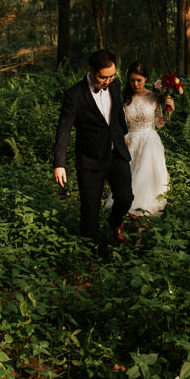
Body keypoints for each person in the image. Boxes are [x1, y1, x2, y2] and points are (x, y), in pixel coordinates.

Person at [53, 50, 133, 246]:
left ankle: (115, 222)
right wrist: (59, 164)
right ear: (90, 71)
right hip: (90, 160)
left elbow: (118, 113)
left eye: (111, 76)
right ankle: (89, 254)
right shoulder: (74, 95)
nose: (108, 81)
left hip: (116, 155)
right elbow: (63, 129)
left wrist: (123, 133)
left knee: (125, 198)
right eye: (103, 77)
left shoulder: (115, 85)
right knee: (90, 211)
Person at [107, 61, 173, 217]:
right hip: (129, 141)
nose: (135, 84)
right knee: (130, 176)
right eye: (132, 80)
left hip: (150, 142)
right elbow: (116, 122)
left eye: (139, 80)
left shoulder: (154, 96)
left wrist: (170, 110)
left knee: (147, 177)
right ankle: (125, 211)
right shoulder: (123, 98)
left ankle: (143, 213)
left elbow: (159, 122)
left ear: (146, 79)